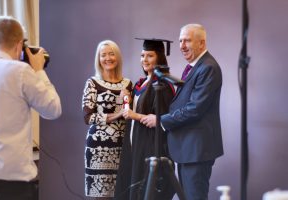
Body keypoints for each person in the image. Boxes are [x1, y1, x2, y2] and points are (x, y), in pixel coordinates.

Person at [142, 24, 224, 200]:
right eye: (180, 40)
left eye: (187, 40)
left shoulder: (208, 67)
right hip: (188, 149)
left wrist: (160, 120)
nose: (182, 45)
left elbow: (195, 109)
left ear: (201, 43)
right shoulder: (195, 67)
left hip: (197, 150)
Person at [0, 16, 62, 200]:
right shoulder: (20, 72)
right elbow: (53, 110)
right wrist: (39, 70)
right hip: (13, 181)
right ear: (19, 44)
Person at [114, 38, 175, 200]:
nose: (144, 60)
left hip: (151, 146)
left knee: (147, 191)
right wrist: (128, 99)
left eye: (149, 56)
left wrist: (135, 115)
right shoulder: (141, 84)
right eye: (142, 56)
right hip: (135, 144)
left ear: (159, 58)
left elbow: (161, 120)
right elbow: (134, 111)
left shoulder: (162, 85)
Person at [82, 40, 132, 199]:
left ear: (117, 57)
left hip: (123, 146)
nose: (107, 58)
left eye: (111, 54)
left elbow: (127, 111)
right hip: (99, 148)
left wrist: (126, 100)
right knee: (101, 195)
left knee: (123, 193)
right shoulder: (92, 83)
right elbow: (88, 117)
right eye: (103, 55)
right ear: (98, 59)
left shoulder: (128, 84)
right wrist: (117, 115)